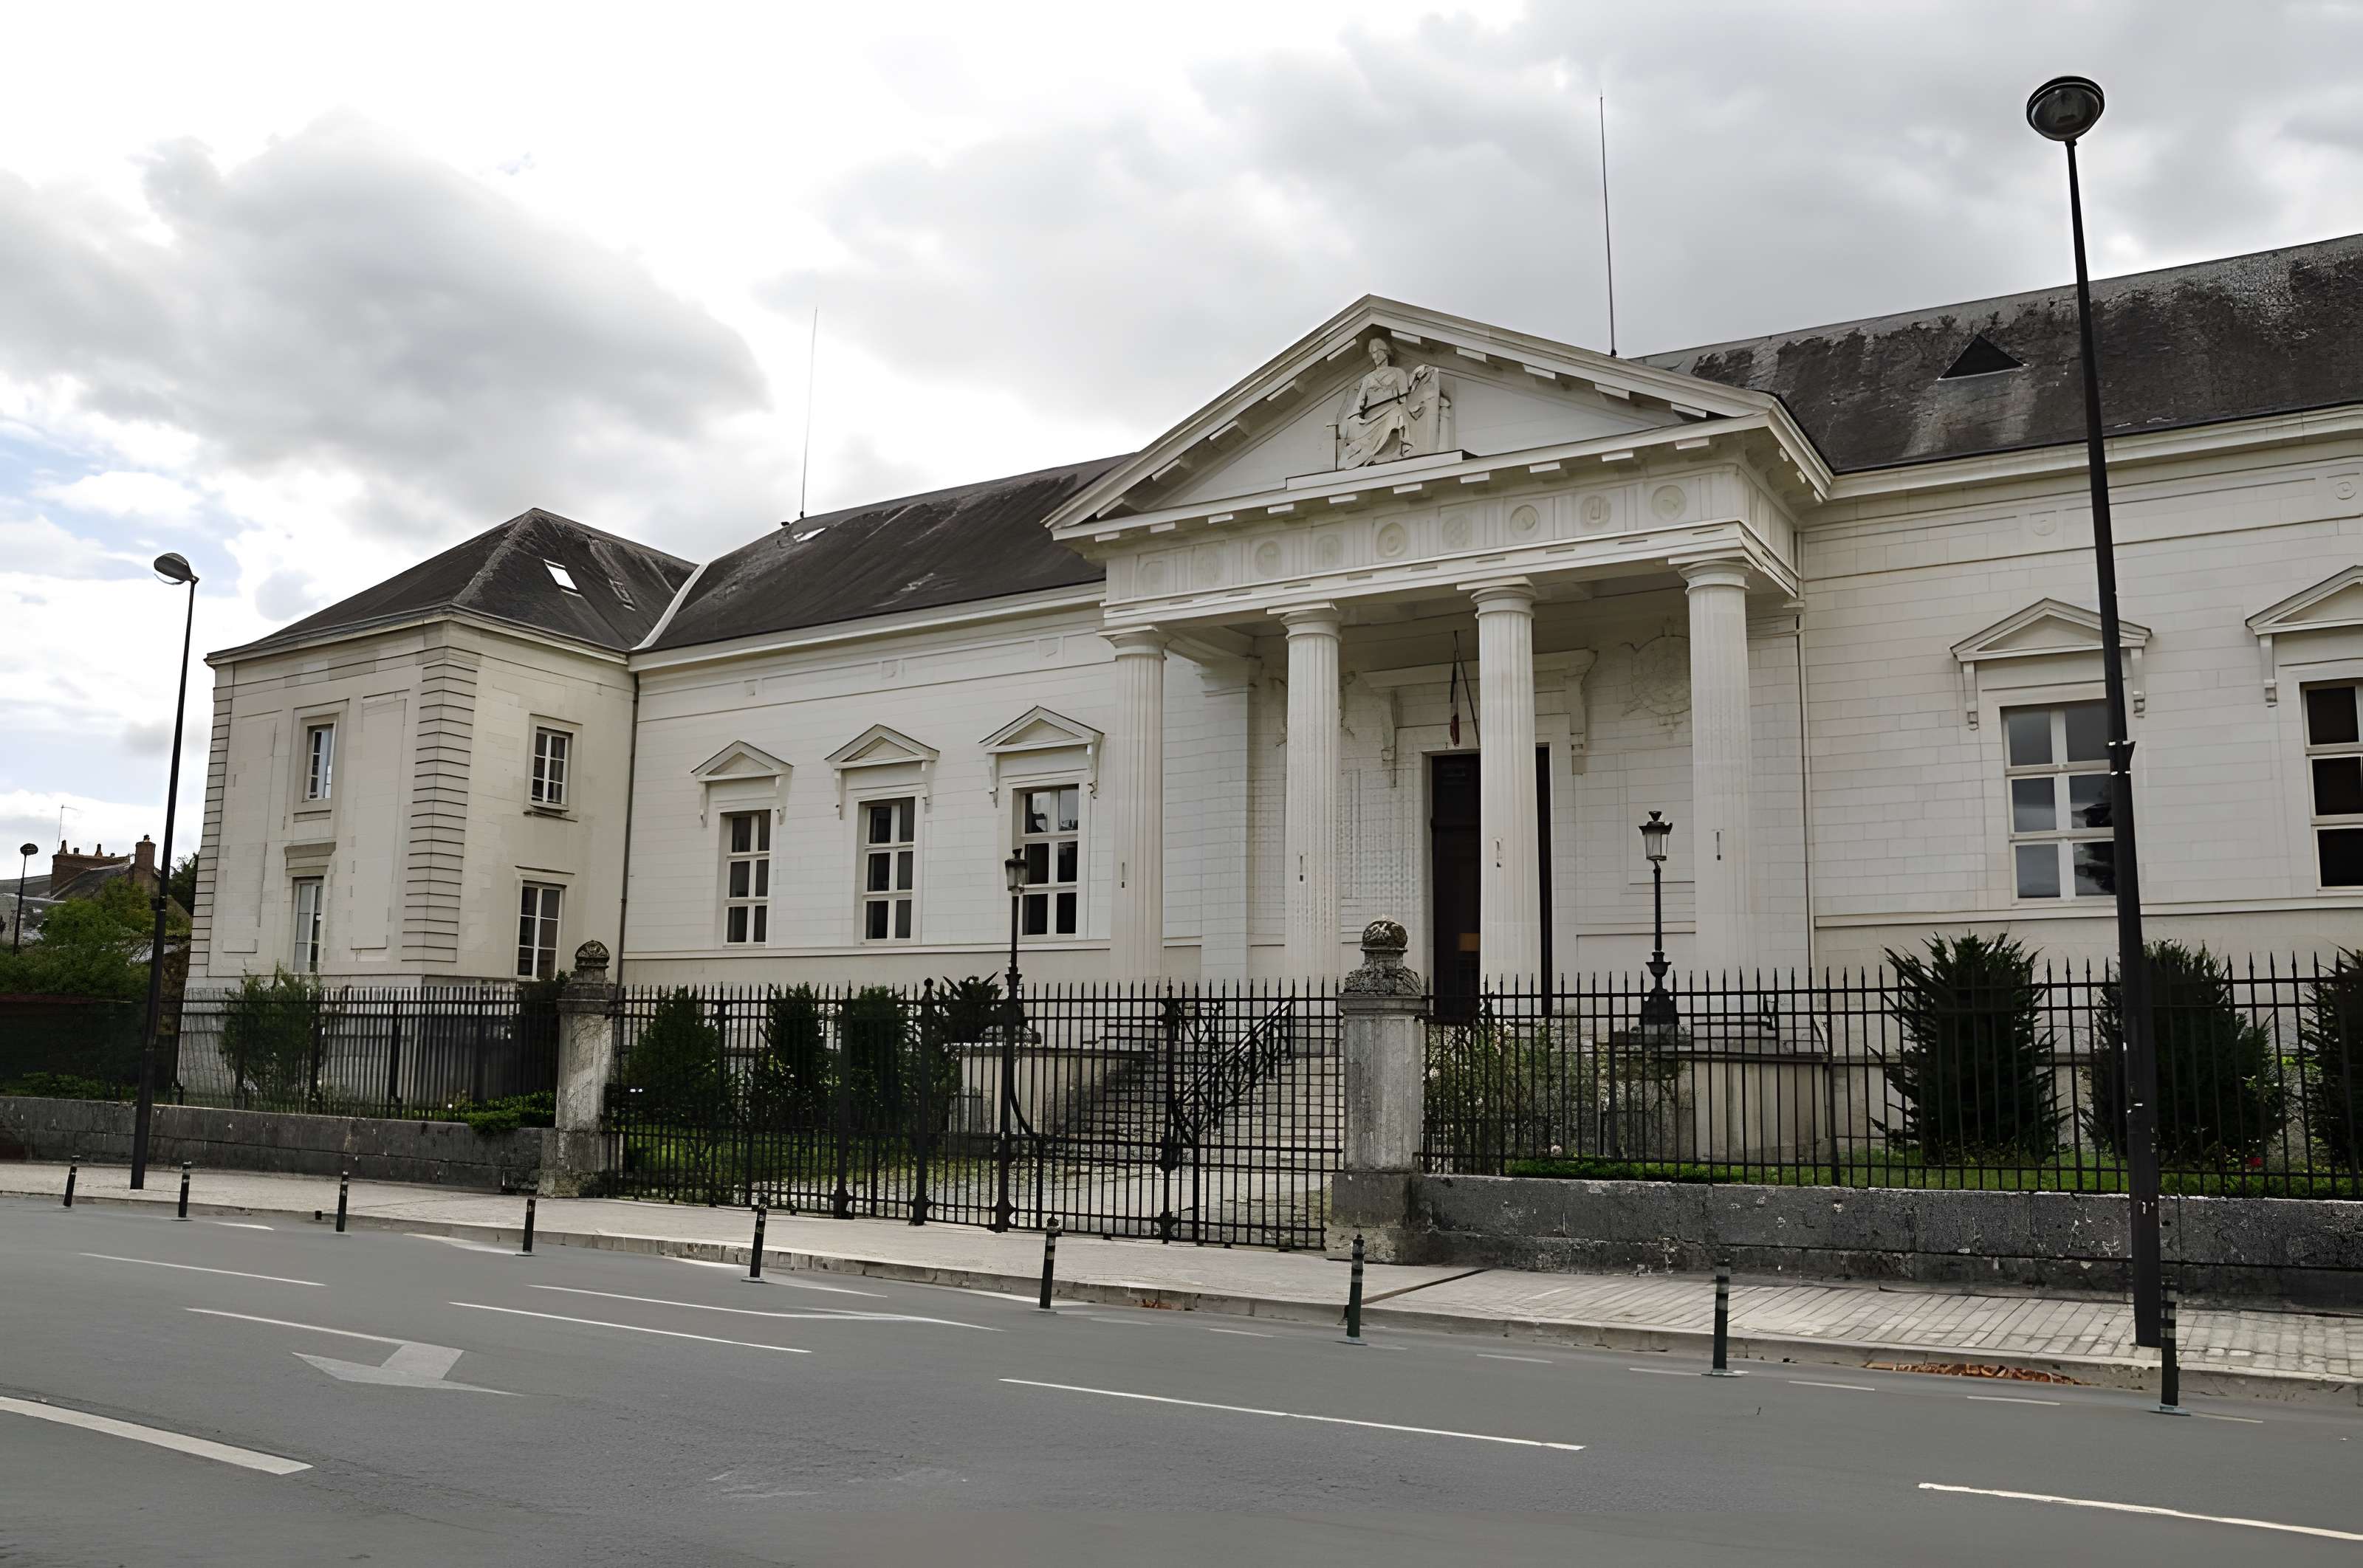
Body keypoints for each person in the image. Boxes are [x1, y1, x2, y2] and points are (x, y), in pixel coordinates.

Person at [1336, 337, 1438, 467]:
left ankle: (1397, 451)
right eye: (1372, 353)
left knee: (1398, 412)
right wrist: (1353, 419)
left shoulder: (1398, 373)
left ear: (1386, 351)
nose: (1375, 356)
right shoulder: (1368, 378)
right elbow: (1359, 403)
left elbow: (1402, 398)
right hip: (1369, 421)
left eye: (1377, 351)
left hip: (1391, 413)